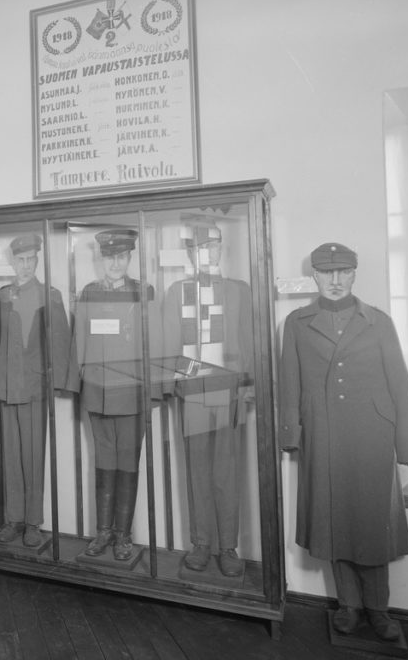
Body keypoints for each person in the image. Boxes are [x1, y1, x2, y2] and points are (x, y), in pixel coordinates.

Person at [279, 242, 408, 642]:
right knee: (333, 520)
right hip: (322, 435)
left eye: (343, 272)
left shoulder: (378, 321)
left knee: (373, 524)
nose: (336, 281)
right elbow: (288, 382)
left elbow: (399, 382)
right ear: (314, 276)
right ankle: (349, 606)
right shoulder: (296, 322)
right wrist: (291, 435)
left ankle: (379, 610)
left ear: (355, 274)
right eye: (327, 273)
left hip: (372, 435)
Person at [163, 223, 253, 578]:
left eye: (214, 246)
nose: (208, 252)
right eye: (200, 247)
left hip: (229, 390)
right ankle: (201, 543)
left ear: (221, 250)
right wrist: (172, 385)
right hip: (193, 392)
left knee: (227, 471)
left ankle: (228, 546)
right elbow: (170, 342)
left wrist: (249, 385)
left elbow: (248, 338)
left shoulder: (239, 290)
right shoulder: (177, 291)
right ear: (190, 253)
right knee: (197, 470)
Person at [66, 230, 160, 561]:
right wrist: (76, 385)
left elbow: (155, 344)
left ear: (130, 258)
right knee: (104, 461)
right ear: (101, 259)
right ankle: (103, 532)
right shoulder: (89, 293)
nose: (115, 263)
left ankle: (124, 535)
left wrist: (155, 389)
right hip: (97, 391)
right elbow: (78, 342)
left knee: (128, 463)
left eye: (122, 256)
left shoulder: (142, 291)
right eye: (109, 257)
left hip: (132, 393)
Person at [0, 233, 73, 547]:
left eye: (30, 259)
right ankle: (13, 520)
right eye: (19, 260)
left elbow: (60, 342)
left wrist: (61, 382)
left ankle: (33, 522)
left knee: (33, 457)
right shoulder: (4, 296)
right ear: (12, 261)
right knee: (11, 456)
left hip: (34, 388)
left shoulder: (50, 295)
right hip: (7, 387)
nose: (24, 265)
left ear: (37, 260)